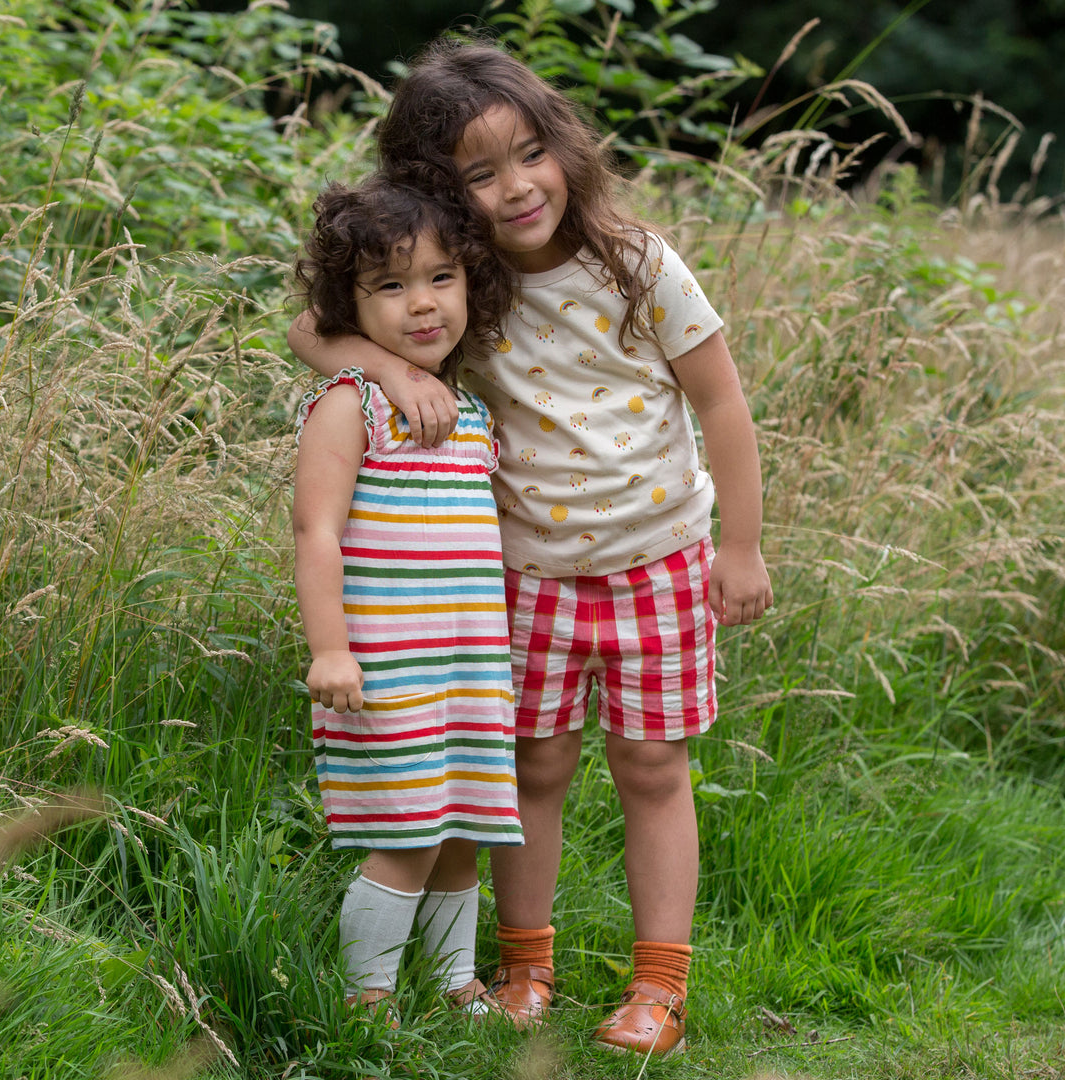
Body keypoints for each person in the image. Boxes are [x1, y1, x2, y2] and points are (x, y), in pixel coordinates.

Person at [288, 38, 774, 1057]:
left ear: (564, 148)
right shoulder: (462, 283)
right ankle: (524, 966)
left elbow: (721, 400)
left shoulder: (634, 263)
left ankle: (659, 988)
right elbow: (310, 330)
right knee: (533, 766)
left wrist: (743, 544)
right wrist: (390, 363)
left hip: (662, 559)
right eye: (476, 172)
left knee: (652, 764)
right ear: (439, 189)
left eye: (528, 154)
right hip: (528, 576)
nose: (513, 189)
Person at [291, 173, 523, 1024]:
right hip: (388, 668)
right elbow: (315, 530)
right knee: (406, 836)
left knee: (464, 830)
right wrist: (330, 648)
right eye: (390, 285)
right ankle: (368, 997)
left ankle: (455, 980)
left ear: (471, 284)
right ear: (350, 306)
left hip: (467, 667)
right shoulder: (353, 405)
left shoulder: (465, 413)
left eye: (439, 278)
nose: (421, 305)